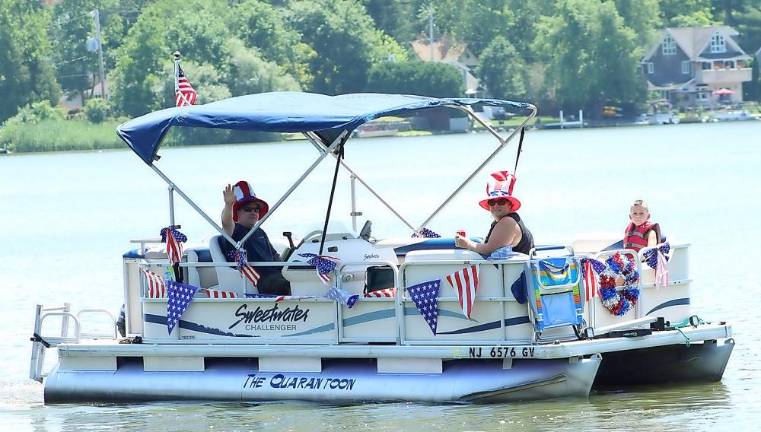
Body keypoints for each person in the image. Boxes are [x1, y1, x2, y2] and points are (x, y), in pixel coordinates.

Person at [220, 180, 291, 295]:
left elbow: (275, 257)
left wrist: (291, 269)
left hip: (275, 277)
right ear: (236, 212)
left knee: (301, 278)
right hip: (257, 280)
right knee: (288, 285)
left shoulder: (260, 232)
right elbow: (226, 222)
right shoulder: (234, 231)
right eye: (248, 209)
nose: (253, 212)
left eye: (256, 209)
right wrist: (229, 205)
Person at [455, 170, 534, 257]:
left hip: (515, 270)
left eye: (501, 201)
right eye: (492, 202)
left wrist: (467, 243)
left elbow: (489, 250)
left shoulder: (507, 222)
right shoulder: (507, 221)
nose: (496, 205)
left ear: (510, 204)